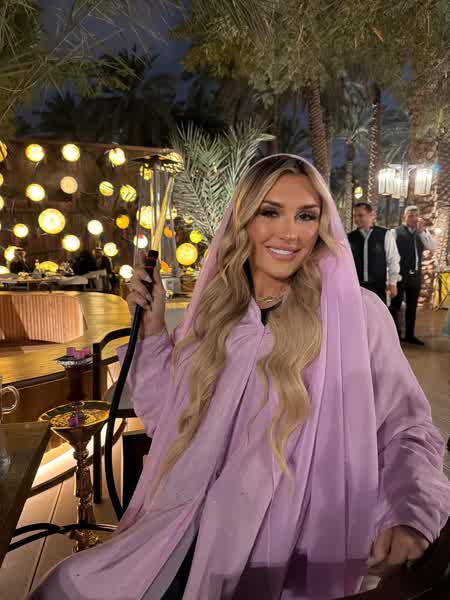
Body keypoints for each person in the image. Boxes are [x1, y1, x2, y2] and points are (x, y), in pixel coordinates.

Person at [31, 155, 450, 600]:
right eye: (270, 212)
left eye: (306, 216)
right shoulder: (216, 314)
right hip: (182, 529)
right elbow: (165, 420)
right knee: (63, 585)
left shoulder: (356, 317)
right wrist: (152, 331)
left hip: (286, 546)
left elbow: (407, 427)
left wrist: (411, 513)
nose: (290, 233)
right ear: (243, 220)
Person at [390, 205, 436, 346]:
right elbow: (390, 255)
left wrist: (422, 232)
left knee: (412, 306)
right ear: (404, 217)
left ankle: (410, 335)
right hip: (400, 275)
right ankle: (394, 336)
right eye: (411, 215)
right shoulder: (395, 232)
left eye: (416, 215)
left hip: (415, 275)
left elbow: (432, 247)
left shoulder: (421, 233)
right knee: (396, 306)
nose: (414, 218)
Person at [348, 202, 400, 304]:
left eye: (360, 215)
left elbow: (393, 260)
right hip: (356, 287)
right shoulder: (350, 237)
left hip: (378, 287)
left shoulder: (385, 234)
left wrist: (392, 283)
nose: (357, 219)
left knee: (378, 313)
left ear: (371, 215)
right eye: (354, 216)